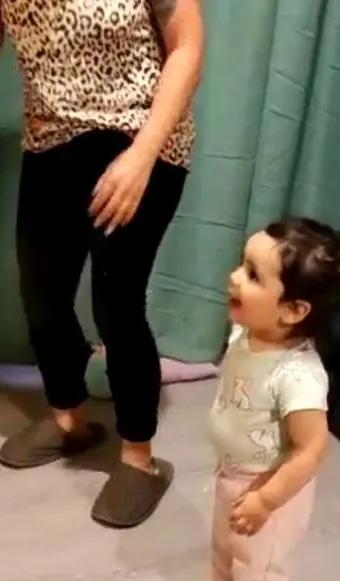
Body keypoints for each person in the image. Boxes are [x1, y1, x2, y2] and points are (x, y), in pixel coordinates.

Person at [0, 0, 204, 528]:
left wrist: (142, 155)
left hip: (140, 139)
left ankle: (139, 456)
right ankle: (69, 418)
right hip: (50, 138)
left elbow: (186, 46)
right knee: (41, 295)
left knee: (116, 304)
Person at [169, 218, 340, 581]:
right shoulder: (247, 335)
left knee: (261, 568)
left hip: (271, 494)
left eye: (253, 274)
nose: (234, 276)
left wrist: (266, 500)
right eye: (241, 263)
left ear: (293, 310)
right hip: (233, 474)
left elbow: (312, 449)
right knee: (224, 549)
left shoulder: (299, 376)